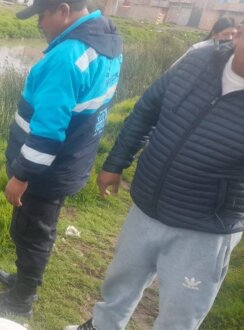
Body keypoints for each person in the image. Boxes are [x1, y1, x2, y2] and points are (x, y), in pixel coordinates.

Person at [65, 25, 244, 330]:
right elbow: (147, 109)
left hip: (205, 226)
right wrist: (116, 162)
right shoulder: (197, 61)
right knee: (121, 281)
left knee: (180, 312)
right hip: (148, 203)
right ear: (238, 34)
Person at [0, 0, 123, 317]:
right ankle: (23, 281)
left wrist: (21, 176)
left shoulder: (67, 57)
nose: (39, 24)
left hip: (46, 171)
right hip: (73, 158)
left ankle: (21, 300)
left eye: (42, 16)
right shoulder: (107, 38)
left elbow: (48, 132)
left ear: (64, 10)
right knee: (36, 229)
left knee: (32, 234)